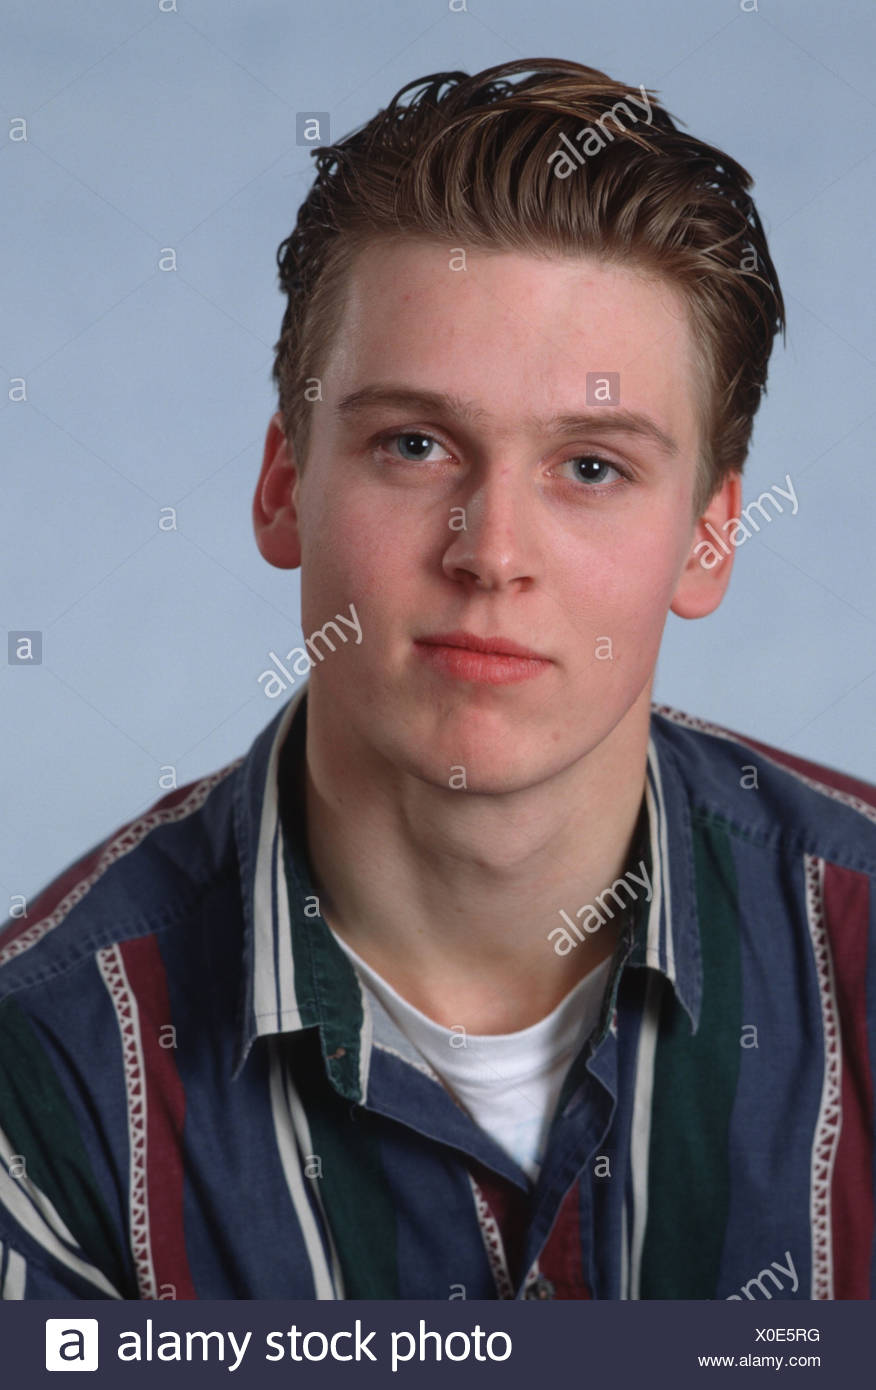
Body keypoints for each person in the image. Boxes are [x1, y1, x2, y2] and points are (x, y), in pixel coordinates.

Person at [1, 57, 874, 1302]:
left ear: (710, 536)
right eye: (415, 444)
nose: (493, 554)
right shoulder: (44, 1077)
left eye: (591, 466)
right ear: (283, 482)